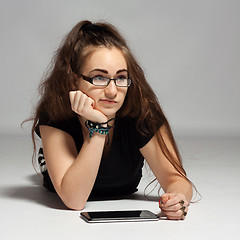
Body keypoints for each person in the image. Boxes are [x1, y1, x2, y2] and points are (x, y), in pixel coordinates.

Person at [30, 20, 194, 220]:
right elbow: (74, 200)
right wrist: (98, 127)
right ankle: (46, 156)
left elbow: (176, 178)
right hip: (62, 179)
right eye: (99, 77)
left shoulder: (140, 113)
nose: (112, 91)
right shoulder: (56, 113)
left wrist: (178, 199)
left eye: (121, 77)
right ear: (74, 80)